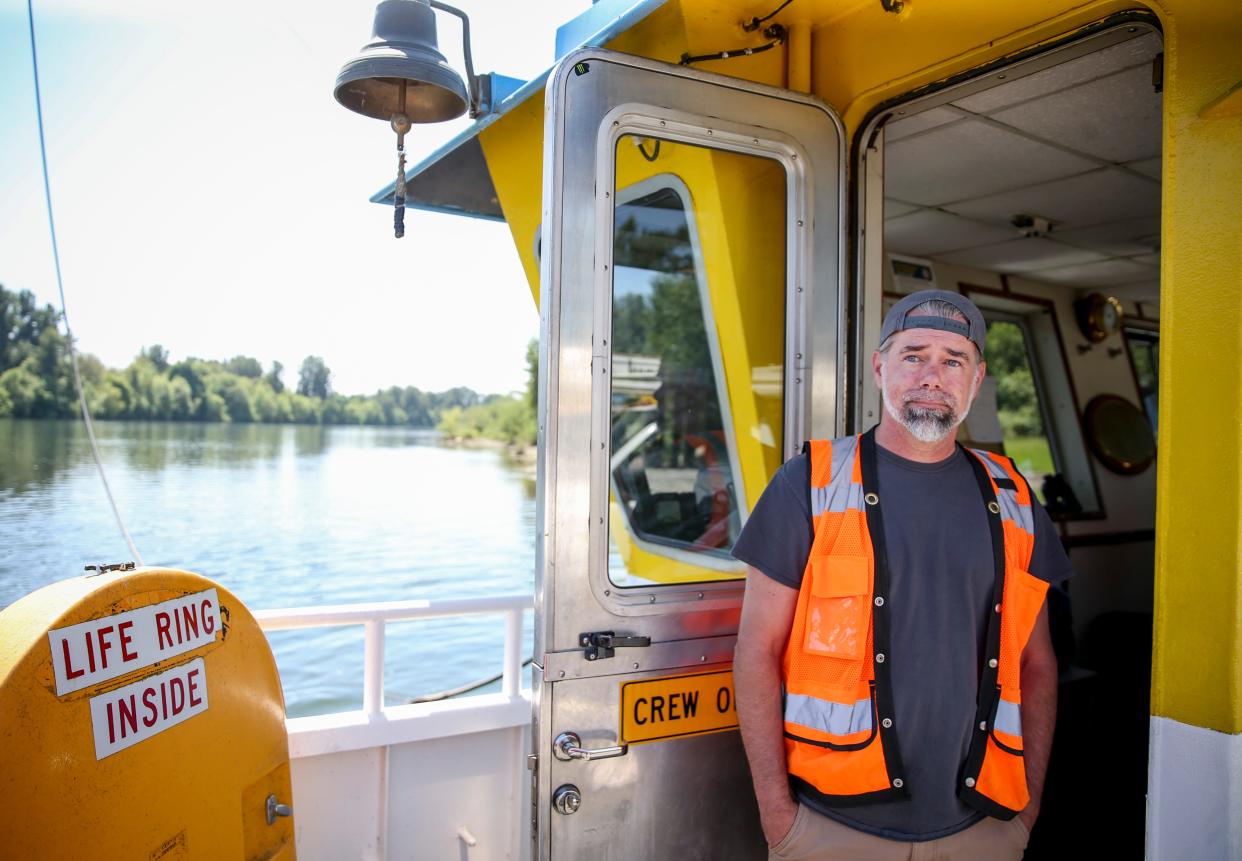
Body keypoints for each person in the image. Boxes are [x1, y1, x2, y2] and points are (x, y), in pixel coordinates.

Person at [732, 289, 1071, 860]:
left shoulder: (1014, 498)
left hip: (985, 829)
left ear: (977, 377)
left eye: (953, 359)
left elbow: (1037, 664)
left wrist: (1028, 809)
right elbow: (756, 653)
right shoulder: (807, 485)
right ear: (879, 366)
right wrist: (777, 817)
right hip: (831, 829)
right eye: (914, 354)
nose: (932, 376)